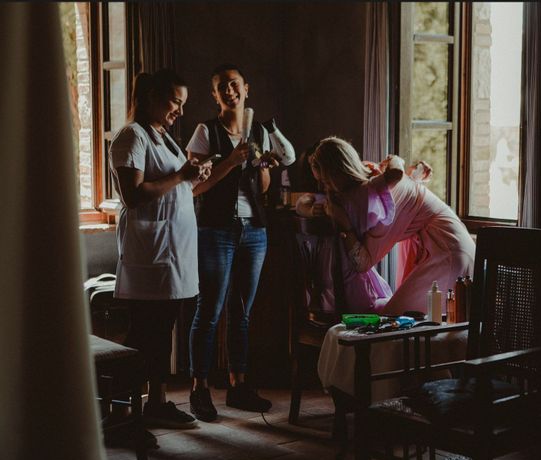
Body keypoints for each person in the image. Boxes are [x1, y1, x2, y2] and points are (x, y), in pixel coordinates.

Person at [109, 69, 211, 429]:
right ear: (152, 96)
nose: (179, 111)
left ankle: (156, 402)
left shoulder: (163, 137)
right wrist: (182, 176)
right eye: (175, 102)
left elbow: (176, 187)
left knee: (161, 332)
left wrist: (192, 177)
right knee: (143, 336)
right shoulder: (131, 137)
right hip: (150, 255)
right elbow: (133, 195)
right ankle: (121, 413)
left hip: (173, 254)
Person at [187, 64, 285, 421]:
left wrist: (262, 167)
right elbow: (193, 187)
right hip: (215, 230)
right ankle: (200, 388)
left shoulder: (259, 131)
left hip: (254, 231)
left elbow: (261, 190)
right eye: (221, 87)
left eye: (234, 84)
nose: (229, 91)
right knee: (209, 309)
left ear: (247, 89)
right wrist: (230, 162)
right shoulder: (205, 132)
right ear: (215, 97)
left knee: (241, 312)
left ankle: (238, 386)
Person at [310, 136, 476, 316]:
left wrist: (345, 226)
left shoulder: (372, 192)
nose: (322, 187)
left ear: (338, 172)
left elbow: (362, 262)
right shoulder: (375, 179)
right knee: (409, 323)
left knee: (394, 322)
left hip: (447, 249)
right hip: (448, 244)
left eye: (325, 181)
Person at [295, 143, 392, 313]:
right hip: (346, 291)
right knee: (388, 305)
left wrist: (307, 209)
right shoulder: (357, 197)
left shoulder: (337, 201)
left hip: (322, 293)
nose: (324, 188)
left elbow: (300, 203)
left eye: (325, 182)